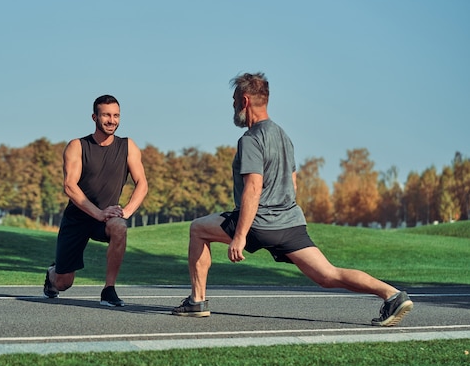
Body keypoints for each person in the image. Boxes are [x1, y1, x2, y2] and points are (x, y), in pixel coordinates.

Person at [171, 72, 413, 326]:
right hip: (290, 224)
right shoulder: (283, 136)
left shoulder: (251, 139)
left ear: (244, 101)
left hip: (260, 223)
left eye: (233, 100)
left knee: (198, 229)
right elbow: (293, 182)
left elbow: (253, 188)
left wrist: (240, 236)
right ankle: (392, 295)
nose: (232, 106)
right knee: (327, 275)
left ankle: (197, 301)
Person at [44, 94, 148, 306]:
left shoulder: (127, 146)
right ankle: (53, 272)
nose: (112, 120)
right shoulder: (77, 146)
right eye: (106, 115)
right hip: (78, 219)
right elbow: (69, 186)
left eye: (116, 115)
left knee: (120, 226)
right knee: (64, 283)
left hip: (107, 217)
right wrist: (98, 213)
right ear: (94, 117)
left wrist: (125, 212)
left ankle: (109, 290)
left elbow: (142, 184)